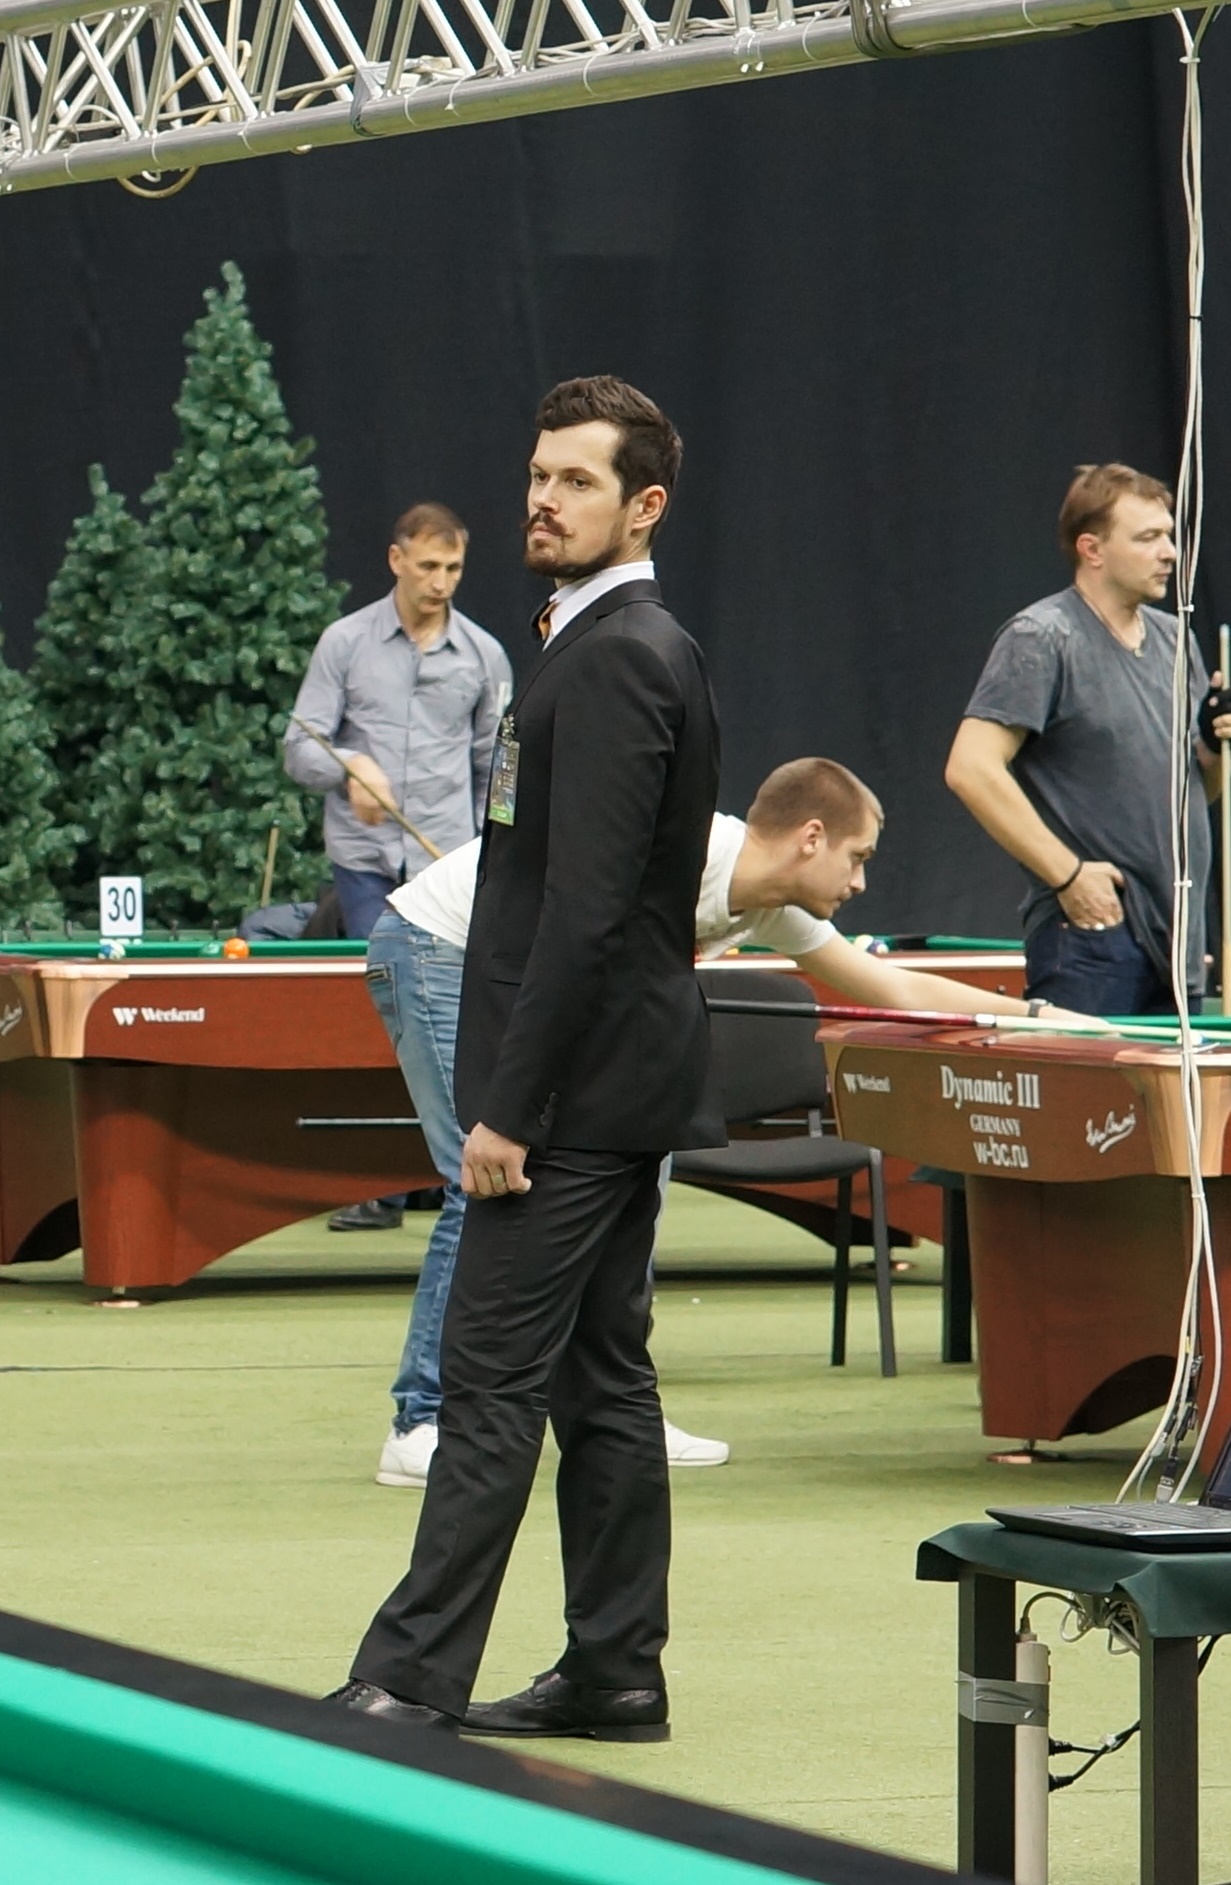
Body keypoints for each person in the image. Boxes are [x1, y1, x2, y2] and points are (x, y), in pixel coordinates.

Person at [329, 374, 717, 1741]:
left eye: (576, 481)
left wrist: (509, 1106)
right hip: (611, 1086)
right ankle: (614, 1672)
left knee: (487, 1380)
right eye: (538, 474)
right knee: (599, 1381)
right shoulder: (596, 640)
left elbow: (585, 908)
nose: (541, 500)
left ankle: (403, 1683)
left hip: (569, 1098)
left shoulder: (617, 653)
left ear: (642, 505)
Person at [370, 757, 1063, 1491]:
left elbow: (893, 988)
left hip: (553, 983)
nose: (860, 881)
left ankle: (616, 1412)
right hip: (442, 948)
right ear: (810, 837)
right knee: (484, 1181)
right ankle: (421, 1422)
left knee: (633, 1177)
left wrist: (1041, 1019)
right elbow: (569, 946)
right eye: (856, 857)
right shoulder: (679, 850)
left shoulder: (768, 905)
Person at [285, 503, 513, 1231]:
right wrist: (349, 764)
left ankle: (447, 1175)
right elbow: (299, 747)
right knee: (392, 1019)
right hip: (367, 866)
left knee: (451, 1025)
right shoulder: (345, 643)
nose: (441, 581)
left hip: (448, 874)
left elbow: (498, 775)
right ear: (396, 561)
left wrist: (496, 856)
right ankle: (382, 1183)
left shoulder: (484, 656)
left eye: (453, 568)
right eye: (428, 566)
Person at [945, 463, 1231, 1015]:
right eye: (1148, 537)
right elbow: (970, 768)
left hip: (1179, 941)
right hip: (1092, 939)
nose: (1170, 552)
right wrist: (1069, 875)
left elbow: (1200, 794)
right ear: (1092, 549)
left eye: (1169, 535)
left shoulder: (1177, 640)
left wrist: (1215, 747)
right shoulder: (1042, 636)